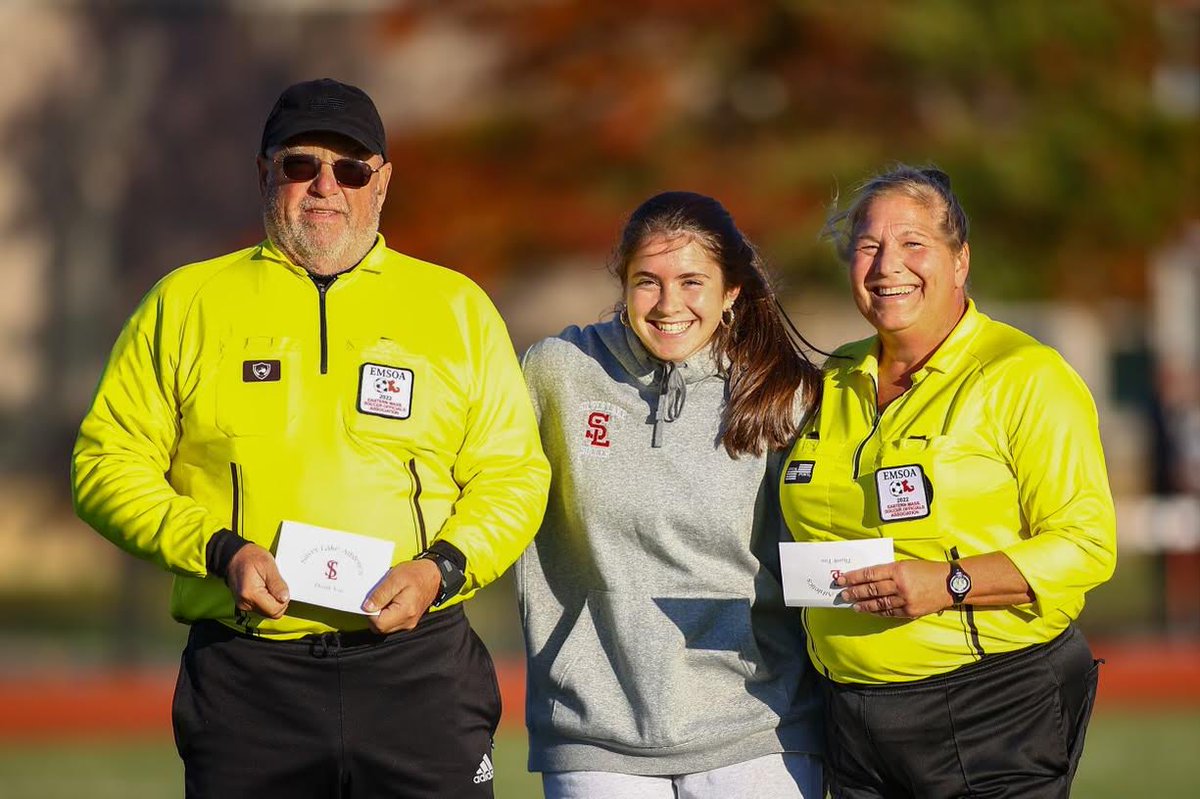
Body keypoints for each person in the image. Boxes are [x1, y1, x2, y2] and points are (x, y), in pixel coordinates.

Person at [71, 78, 550, 798]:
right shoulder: (186, 303)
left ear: (382, 183)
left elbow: (515, 475)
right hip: (247, 677)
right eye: (301, 165)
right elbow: (105, 465)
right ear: (265, 172)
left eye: (352, 168)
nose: (326, 186)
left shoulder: (457, 308)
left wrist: (440, 569)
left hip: (418, 671)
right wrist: (217, 549)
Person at [780, 164, 1117, 798]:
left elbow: (1086, 544)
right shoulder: (832, 378)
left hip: (991, 708)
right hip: (849, 722)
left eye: (913, 244)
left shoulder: (1026, 376)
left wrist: (950, 583)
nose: (887, 266)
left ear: (960, 261)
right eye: (869, 246)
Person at [518, 191, 826, 798]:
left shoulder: (783, 394)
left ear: (731, 290)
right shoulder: (557, 371)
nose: (668, 305)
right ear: (622, 282)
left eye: (692, 281)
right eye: (647, 282)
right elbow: (483, 482)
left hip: (757, 728)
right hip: (595, 734)